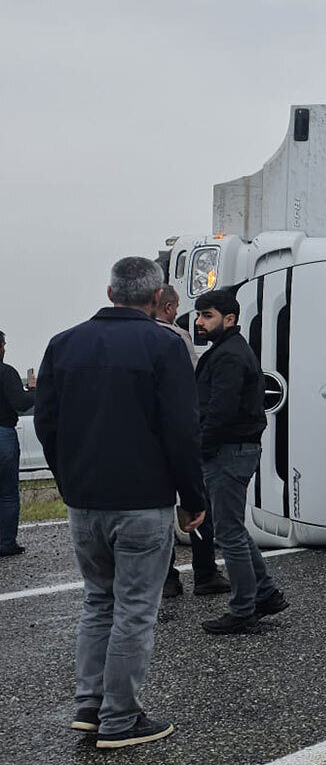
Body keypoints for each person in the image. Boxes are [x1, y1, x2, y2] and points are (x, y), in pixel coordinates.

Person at [34, 257, 206, 749]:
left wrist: (69, 479)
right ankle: (121, 718)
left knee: (97, 601)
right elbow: (181, 430)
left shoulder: (64, 344)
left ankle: (89, 705)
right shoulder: (164, 344)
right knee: (134, 608)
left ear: (110, 291)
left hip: (85, 499)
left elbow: (47, 422)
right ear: (156, 299)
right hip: (142, 500)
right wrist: (192, 496)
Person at [194, 289, 288, 634]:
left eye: (208, 316)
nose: (200, 322)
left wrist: (200, 448)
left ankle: (243, 609)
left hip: (228, 451)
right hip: (232, 449)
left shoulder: (229, 355)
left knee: (229, 531)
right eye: (199, 316)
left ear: (229, 319)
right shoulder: (226, 350)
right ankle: (264, 594)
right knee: (232, 526)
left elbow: (221, 410)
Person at [152, 285, 229, 598]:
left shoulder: (133, 338)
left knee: (158, 510)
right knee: (195, 502)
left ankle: (168, 577)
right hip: (179, 435)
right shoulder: (174, 336)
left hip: (148, 441)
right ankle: (205, 572)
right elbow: (192, 383)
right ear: (170, 308)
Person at [0, 329, 36, 558]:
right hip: (2, 433)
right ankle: (5, 543)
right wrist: (33, 390)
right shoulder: (5, 372)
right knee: (7, 493)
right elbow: (21, 403)